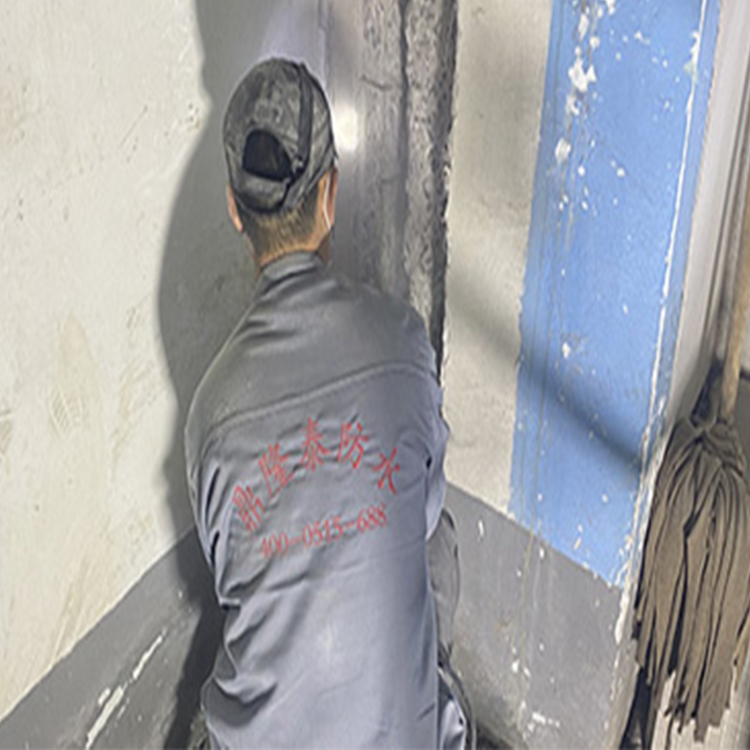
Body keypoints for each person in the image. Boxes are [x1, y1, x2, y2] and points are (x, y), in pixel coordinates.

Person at [185, 57, 467, 749]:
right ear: (330, 193)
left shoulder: (212, 412)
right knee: (435, 541)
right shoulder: (405, 343)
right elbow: (421, 513)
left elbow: (231, 577)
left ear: (234, 210)